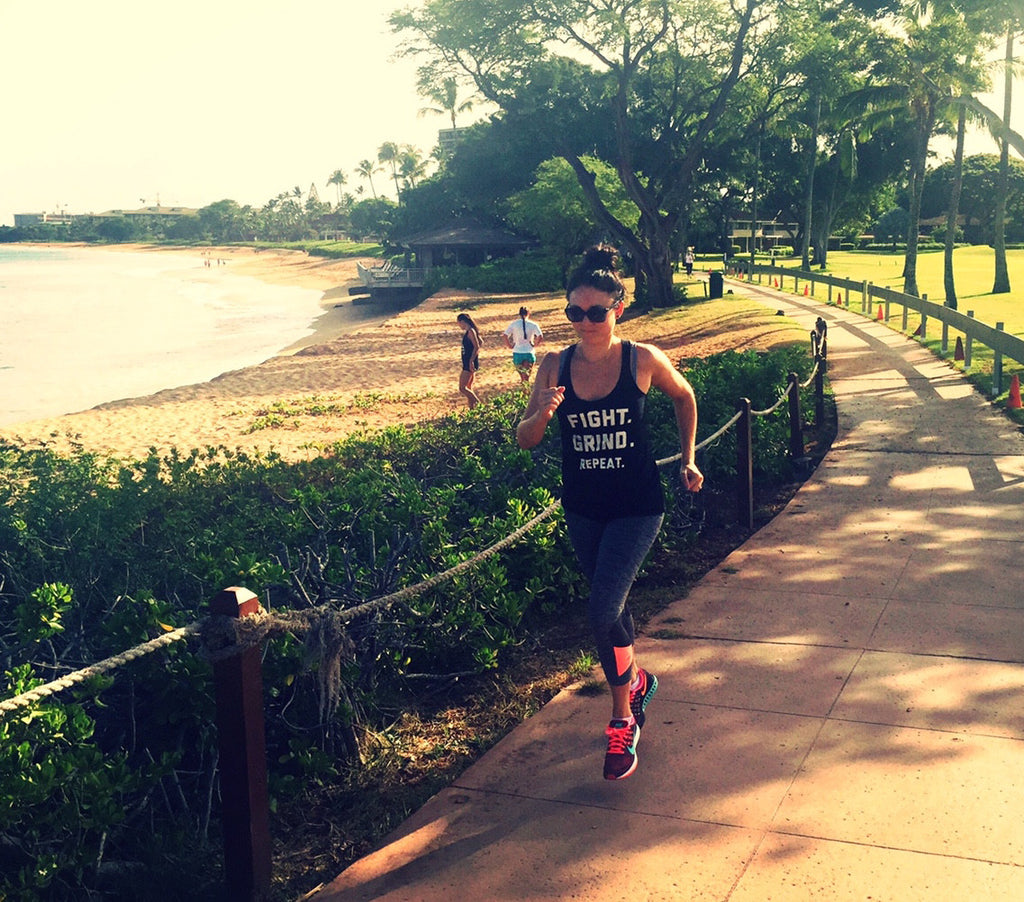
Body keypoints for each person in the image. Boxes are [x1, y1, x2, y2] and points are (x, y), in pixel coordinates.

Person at [516, 244, 703, 781]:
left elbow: (684, 397)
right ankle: (637, 681)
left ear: (617, 309)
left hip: (638, 505)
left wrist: (688, 459)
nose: (585, 321)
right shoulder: (554, 365)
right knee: (612, 608)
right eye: (575, 312)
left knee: (601, 611)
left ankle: (623, 719)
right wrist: (543, 415)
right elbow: (525, 438)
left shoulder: (640, 359)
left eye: (596, 312)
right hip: (584, 508)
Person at [503, 306, 544, 383]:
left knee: (522, 378)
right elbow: (540, 336)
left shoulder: (514, 324)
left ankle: (524, 392)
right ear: (529, 313)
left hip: (517, 352)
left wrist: (510, 345)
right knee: (527, 378)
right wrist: (535, 344)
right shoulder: (533, 325)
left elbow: (505, 335)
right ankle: (526, 393)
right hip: (529, 352)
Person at [456, 312, 482, 409]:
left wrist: (471, 360)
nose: (459, 325)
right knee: (468, 387)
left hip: (469, 362)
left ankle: (479, 405)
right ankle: (471, 410)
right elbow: (480, 342)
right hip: (468, 361)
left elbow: (477, 346)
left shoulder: (471, 331)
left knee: (462, 388)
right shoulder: (471, 331)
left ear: (462, 321)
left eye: (458, 323)